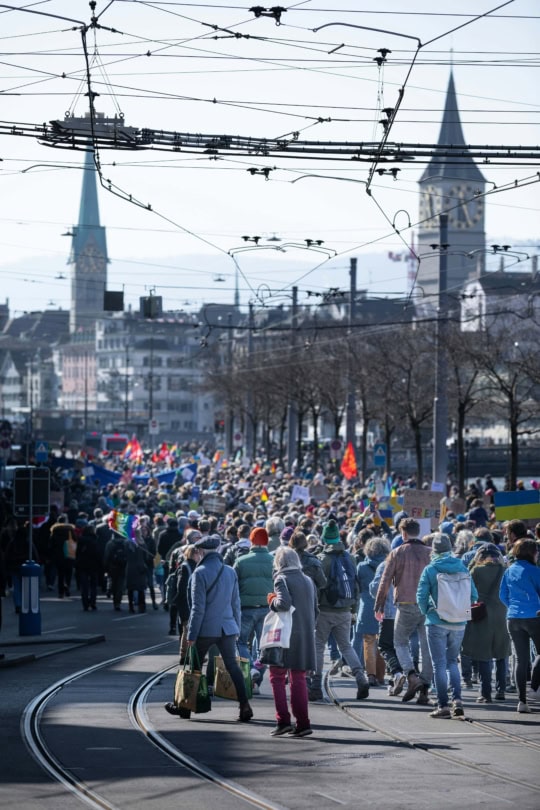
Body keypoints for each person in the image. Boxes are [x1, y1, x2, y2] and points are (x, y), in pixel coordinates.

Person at [166, 533, 253, 722]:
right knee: (232, 666)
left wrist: (191, 633)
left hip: (206, 628)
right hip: (227, 628)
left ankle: (185, 707)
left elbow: (198, 608)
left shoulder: (200, 572)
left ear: (202, 551)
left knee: (193, 666)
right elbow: (236, 603)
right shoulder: (230, 571)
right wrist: (236, 628)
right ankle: (244, 705)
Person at [417, 533, 478, 718]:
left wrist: (427, 610)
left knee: (439, 664)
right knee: (452, 662)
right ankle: (457, 700)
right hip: (459, 622)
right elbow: (474, 596)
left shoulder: (430, 569)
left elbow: (420, 596)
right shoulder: (463, 567)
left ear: (433, 550)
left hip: (436, 621)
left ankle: (443, 705)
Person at [309, 519, 370, 702]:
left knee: (319, 646)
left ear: (324, 539)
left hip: (325, 610)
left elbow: (318, 586)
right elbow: (356, 585)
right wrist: (353, 608)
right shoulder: (349, 557)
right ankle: (360, 677)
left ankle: (316, 685)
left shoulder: (322, 559)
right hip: (345, 609)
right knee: (346, 645)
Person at [374, 517, 433, 702]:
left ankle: (411, 676)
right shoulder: (430, 553)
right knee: (427, 647)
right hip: (428, 606)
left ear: (403, 533)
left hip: (405, 604)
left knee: (399, 642)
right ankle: (424, 688)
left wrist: (379, 604)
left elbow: (384, 581)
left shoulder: (397, 552)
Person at [266, 546, 318, 737]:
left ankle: (283, 721)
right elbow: (316, 610)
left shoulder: (281, 579)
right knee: (299, 679)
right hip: (305, 635)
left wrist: (271, 600)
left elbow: (283, 604)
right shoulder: (308, 580)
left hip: (286, 636)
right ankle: (303, 723)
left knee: (277, 677)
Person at [462, 543, 511, 703]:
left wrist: (472, 562)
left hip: (482, 615)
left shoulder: (476, 570)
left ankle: (485, 693)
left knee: (484, 656)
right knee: (501, 654)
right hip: (503, 615)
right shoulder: (505, 571)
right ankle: (501, 689)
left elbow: (466, 586)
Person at [499, 538, 540, 713]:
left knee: (519, 660)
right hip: (534, 616)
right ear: (532, 553)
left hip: (513, 618)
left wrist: (514, 608)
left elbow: (502, 594)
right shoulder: (535, 571)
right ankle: (534, 688)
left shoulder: (509, 571)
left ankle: (522, 701)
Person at [234, 526, 274, 693]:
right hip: (267, 608)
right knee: (264, 646)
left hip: (246, 608)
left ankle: (250, 670)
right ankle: (256, 681)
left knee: (241, 642)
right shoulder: (274, 560)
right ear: (266, 542)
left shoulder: (241, 561)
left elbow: (233, 586)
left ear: (251, 541)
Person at [354, 537, 390, 687]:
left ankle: (370, 675)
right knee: (383, 643)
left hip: (366, 606)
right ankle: (381, 676)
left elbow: (357, 587)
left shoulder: (361, 566)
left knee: (368, 641)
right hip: (385, 607)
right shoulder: (389, 564)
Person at [175, 543, 202, 661]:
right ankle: (184, 655)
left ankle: (191, 655)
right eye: (197, 553)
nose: (199, 555)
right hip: (186, 603)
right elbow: (181, 587)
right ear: (192, 554)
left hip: (190, 602)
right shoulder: (186, 566)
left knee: (191, 629)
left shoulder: (195, 566)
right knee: (187, 629)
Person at [75, 524, 102, 611]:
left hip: (83, 565)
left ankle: (85, 604)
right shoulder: (95, 540)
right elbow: (98, 553)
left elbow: (78, 553)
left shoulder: (81, 540)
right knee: (93, 585)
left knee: (84, 586)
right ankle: (93, 602)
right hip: (93, 565)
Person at [104, 530, 128, 610]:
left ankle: (115, 601)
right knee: (121, 584)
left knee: (114, 583)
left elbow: (106, 556)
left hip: (113, 566)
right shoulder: (126, 543)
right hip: (123, 566)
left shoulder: (110, 543)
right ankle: (118, 600)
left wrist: (106, 568)